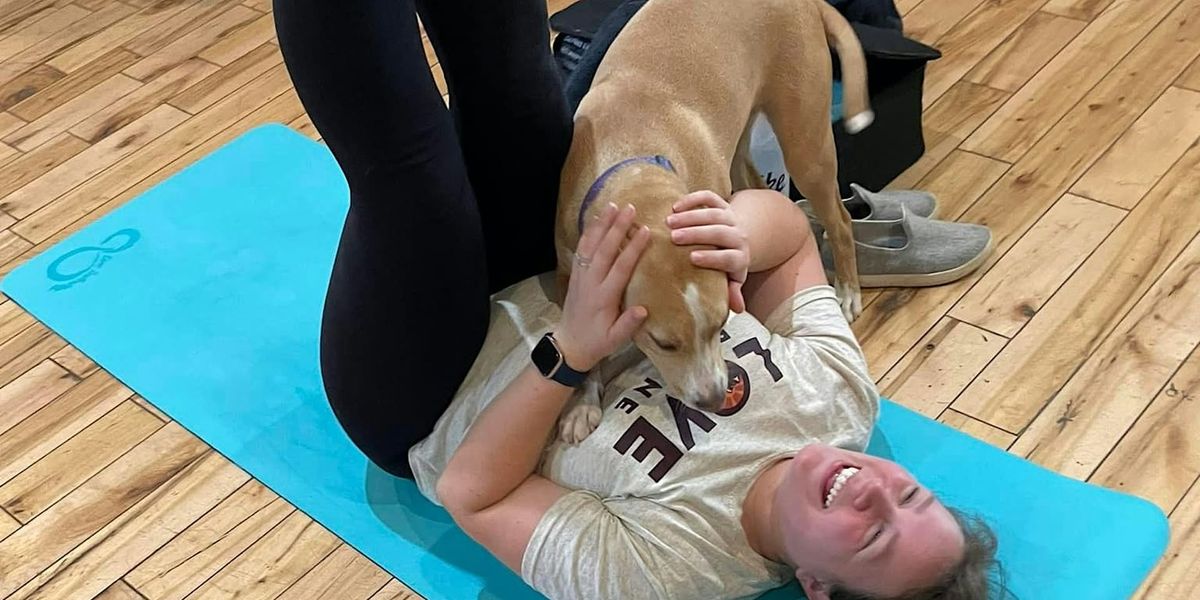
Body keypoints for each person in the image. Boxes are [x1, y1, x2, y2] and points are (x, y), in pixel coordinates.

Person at [272, 1, 1001, 598]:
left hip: (438, 391)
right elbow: (792, 239)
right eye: (913, 499)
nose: (879, 495)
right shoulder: (843, 403)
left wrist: (574, 355)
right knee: (516, 83)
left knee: (416, 178)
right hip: (569, 258)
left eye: (873, 539)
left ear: (815, 584)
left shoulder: (678, 569)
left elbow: (472, 494)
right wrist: (730, 235)